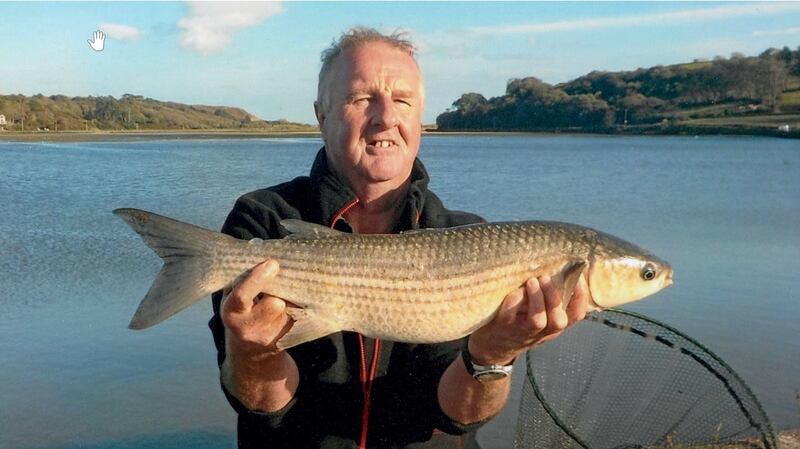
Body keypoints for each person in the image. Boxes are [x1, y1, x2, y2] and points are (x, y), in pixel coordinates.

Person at [209, 27, 590, 449]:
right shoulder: (264, 222)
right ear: (322, 114)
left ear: (419, 118)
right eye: (361, 98)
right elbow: (262, 401)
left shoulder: (471, 241)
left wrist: (492, 356)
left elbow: (456, 416)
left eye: (403, 101)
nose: (386, 116)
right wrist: (253, 350)